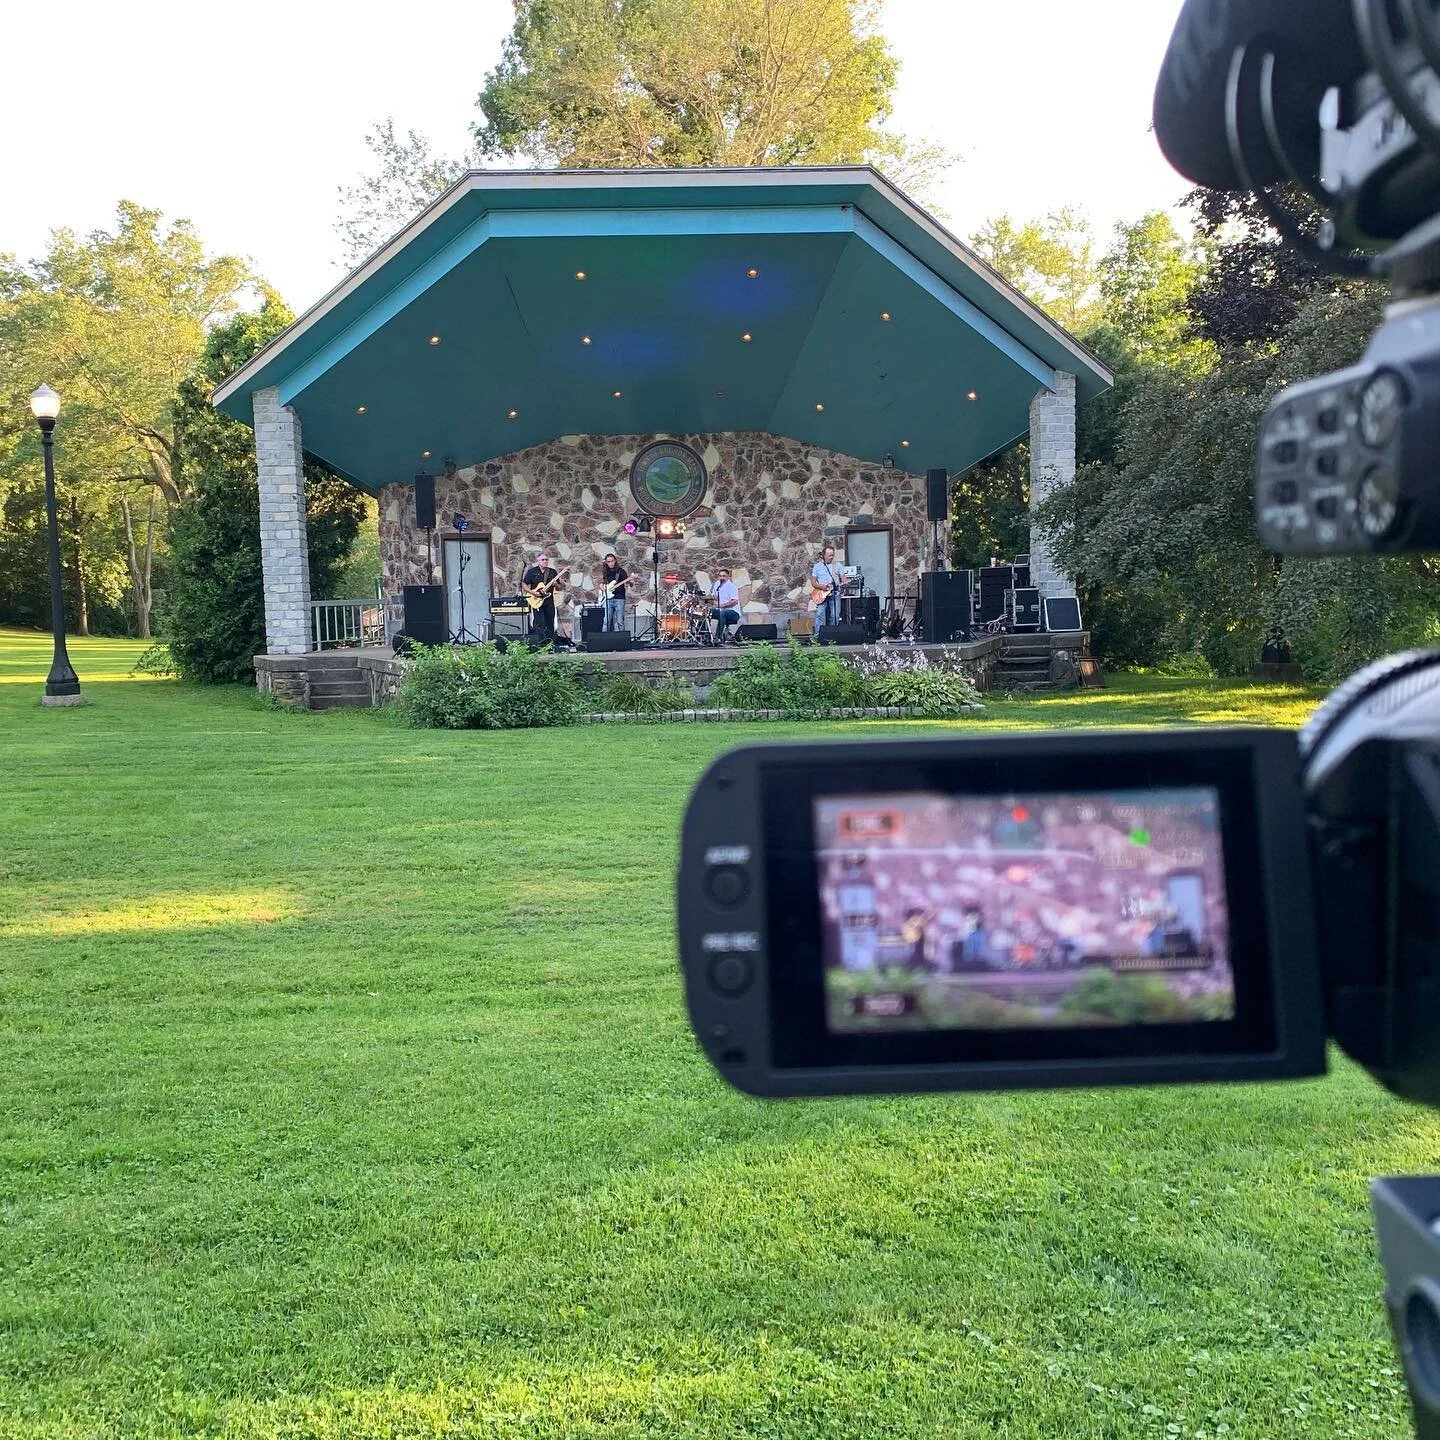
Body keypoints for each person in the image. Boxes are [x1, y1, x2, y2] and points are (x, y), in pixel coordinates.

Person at [522, 553, 563, 643]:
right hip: (536, 600)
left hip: (549, 601)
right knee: (539, 622)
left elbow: (559, 588)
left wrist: (556, 584)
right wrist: (532, 592)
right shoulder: (532, 572)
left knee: (550, 621)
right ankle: (540, 642)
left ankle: (550, 642)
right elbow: (524, 584)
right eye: (542, 560)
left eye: (546, 560)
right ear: (538, 561)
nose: (545, 561)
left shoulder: (552, 572)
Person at [810, 545, 842, 628]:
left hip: (834, 593)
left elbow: (844, 579)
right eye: (829, 555)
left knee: (835, 616)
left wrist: (846, 582)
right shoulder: (817, 566)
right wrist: (821, 587)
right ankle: (817, 636)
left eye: (832, 555)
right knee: (820, 614)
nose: (831, 557)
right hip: (822, 593)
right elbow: (813, 582)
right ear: (824, 555)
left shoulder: (838, 565)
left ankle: (833, 635)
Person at [708, 567, 741, 645]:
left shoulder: (732, 586)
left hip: (733, 612)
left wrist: (722, 606)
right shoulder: (717, 584)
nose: (721, 578)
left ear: (728, 576)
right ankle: (704, 636)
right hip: (720, 610)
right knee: (707, 612)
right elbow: (714, 597)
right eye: (720, 576)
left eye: (724, 576)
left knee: (723, 613)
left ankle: (718, 638)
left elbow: (735, 601)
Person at [600, 553, 629, 633]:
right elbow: (604, 582)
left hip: (619, 598)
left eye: (612, 561)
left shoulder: (621, 571)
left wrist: (631, 580)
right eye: (608, 562)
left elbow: (629, 582)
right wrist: (602, 585)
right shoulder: (606, 572)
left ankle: (622, 640)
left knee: (620, 621)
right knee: (606, 621)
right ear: (606, 562)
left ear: (615, 561)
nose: (610, 563)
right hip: (608, 599)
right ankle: (603, 639)